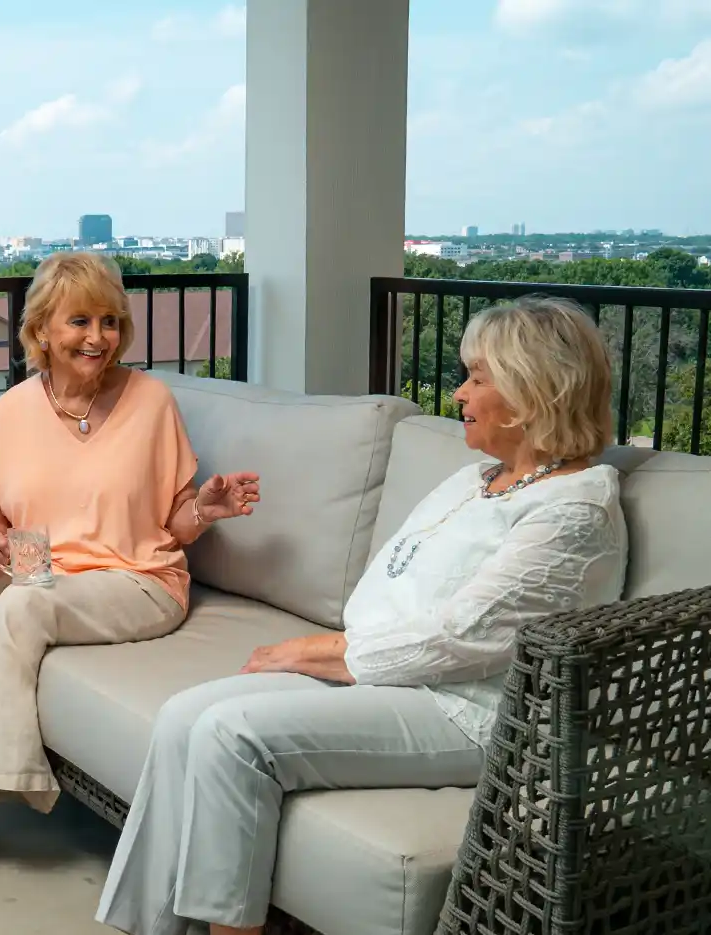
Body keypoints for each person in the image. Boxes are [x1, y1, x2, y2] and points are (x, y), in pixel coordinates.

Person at [95, 295, 629, 935]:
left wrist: (315, 653)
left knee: (231, 732)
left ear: (532, 393)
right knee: (185, 714)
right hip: (398, 677)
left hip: (478, 711)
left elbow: (470, 637)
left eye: (477, 378)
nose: (458, 393)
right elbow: (384, 592)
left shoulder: (574, 508)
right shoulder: (475, 480)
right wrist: (340, 652)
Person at [0, 251, 261, 911]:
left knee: (25, 607)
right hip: (43, 567)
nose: (97, 337)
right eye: (80, 320)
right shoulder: (7, 414)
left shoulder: (151, 402)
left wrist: (208, 508)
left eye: (110, 321)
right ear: (42, 331)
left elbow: (174, 521)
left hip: (136, 577)